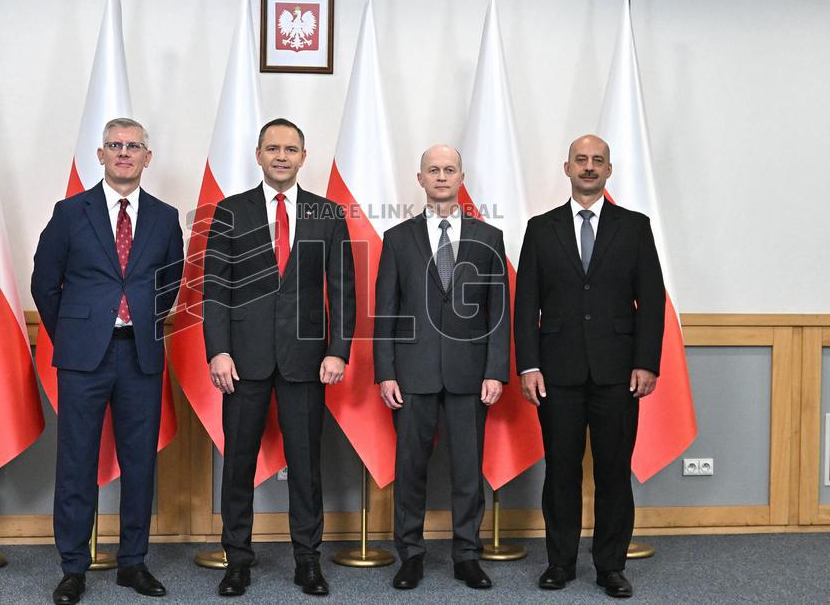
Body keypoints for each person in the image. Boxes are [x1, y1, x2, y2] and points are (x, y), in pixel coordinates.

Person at [32, 118, 184, 605]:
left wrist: (141, 321)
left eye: (133, 146)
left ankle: (132, 563)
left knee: (140, 462)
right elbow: (44, 282)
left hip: (140, 354)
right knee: (77, 462)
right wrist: (74, 333)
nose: (124, 153)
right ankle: (73, 568)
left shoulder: (164, 217)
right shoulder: (69, 212)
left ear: (147, 157)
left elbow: (170, 283)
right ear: (100, 155)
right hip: (83, 357)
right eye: (115, 145)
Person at [203, 118, 356, 597]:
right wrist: (218, 350)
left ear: (303, 157)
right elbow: (215, 289)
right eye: (273, 148)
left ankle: (307, 561)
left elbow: (343, 290)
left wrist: (338, 350)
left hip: (306, 360)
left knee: (305, 466)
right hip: (242, 360)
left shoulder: (327, 213)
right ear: (258, 155)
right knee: (238, 464)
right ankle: (237, 560)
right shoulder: (230, 211)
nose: (282, 156)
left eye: (291, 149)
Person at [514, 134, 665, 598]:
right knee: (561, 470)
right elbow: (526, 305)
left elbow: (652, 301)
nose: (589, 166)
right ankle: (559, 563)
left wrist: (646, 362)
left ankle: (610, 567)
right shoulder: (541, 228)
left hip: (618, 372)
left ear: (608, 170)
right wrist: (528, 365)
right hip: (556, 373)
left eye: (598, 160)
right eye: (581, 159)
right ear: (567, 168)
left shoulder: (634, 227)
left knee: (614, 471)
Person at [374, 144, 509, 591]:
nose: (442, 176)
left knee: (467, 470)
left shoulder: (489, 237)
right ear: (420, 179)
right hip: (412, 373)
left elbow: (498, 311)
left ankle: (466, 555)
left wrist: (496, 370)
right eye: (433, 170)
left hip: (470, 373)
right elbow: (386, 310)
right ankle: (410, 555)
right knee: (410, 468)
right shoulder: (397, 238)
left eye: (449, 169)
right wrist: (385, 372)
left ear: (461, 177)